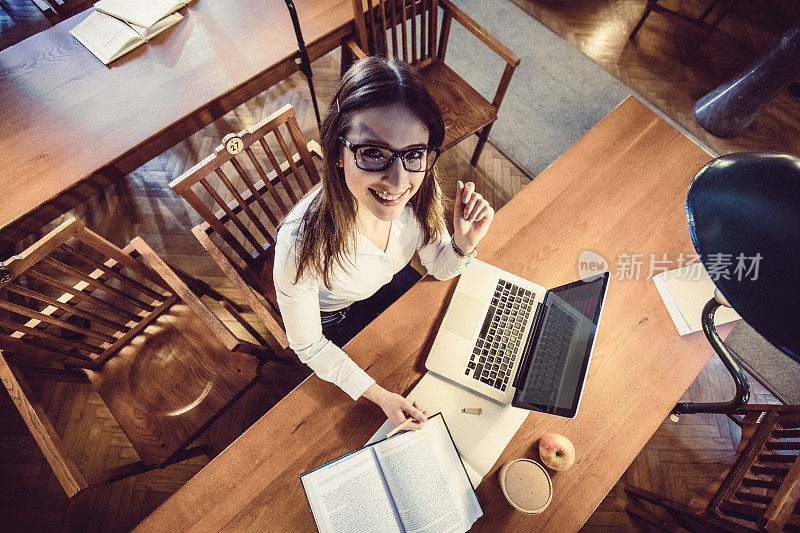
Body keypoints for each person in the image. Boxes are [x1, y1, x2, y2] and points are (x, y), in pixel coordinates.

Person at [273, 57, 494, 430]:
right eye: (373, 152)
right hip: (338, 319)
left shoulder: (417, 186)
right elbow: (308, 345)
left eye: (414, 154)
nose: (397, 181)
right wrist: (379, 395)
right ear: (337, 152)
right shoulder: (299, 247)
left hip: (388, 283)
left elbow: (440, 267)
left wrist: (461, 244)